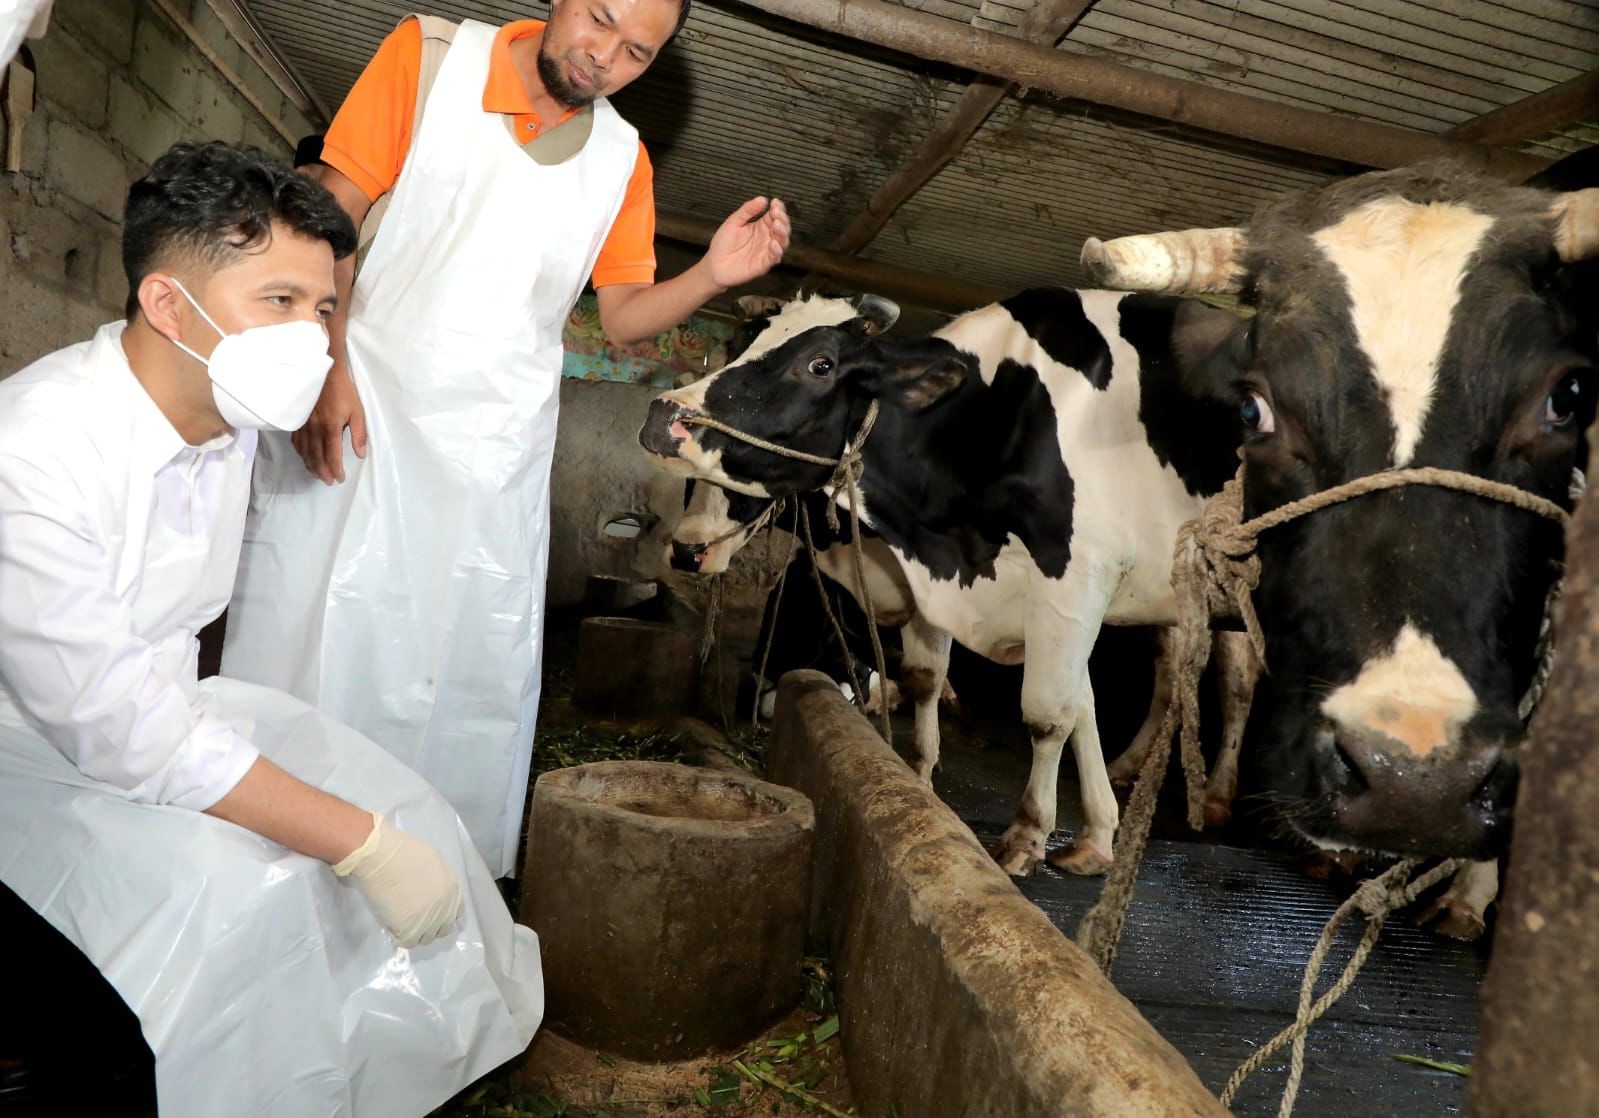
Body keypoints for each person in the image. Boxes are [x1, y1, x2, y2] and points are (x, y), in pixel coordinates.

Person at [0, 141, 541, 1118]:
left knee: (406, 803)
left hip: (155, 715)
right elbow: (112, 725)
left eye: (326, 307)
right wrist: (357, 843)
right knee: (237, 887)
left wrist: (374, 825)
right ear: (170, 305)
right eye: (280, 303)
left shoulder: (224, 423)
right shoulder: (34, 448)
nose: (317, 340)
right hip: (24, 759)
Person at [220, 0, 791, 875]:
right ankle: (259, 859)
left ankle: (425, 882)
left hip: (492, 452)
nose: (605, 57)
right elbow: (327, 218)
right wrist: (325, 367)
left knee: (457, 671)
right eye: (600, 22)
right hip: (363, 405)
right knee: (316, 636)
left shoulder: (620, 160)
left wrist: (713, 272)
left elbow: (626, 319)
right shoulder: (432, 59)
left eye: (637, 52)